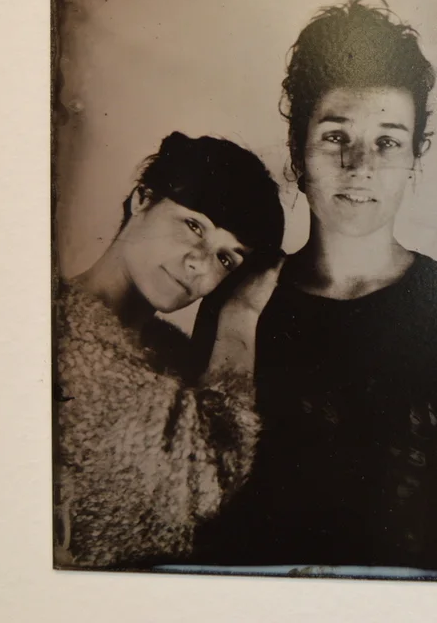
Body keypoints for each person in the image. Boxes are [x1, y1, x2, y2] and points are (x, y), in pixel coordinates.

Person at [191, 0, 437, 581]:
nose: (359, 165)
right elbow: (196, 501)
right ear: (297, 151)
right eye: (334, 137)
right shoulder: (238, 303)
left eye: (388, 141)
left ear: (416, 154)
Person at [53, 131, 285, 569]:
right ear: (142, 199)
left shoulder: (172, 356)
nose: (199, 262)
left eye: (226, 258)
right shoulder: (63, 335)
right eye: (194, 226)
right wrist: (241, 316)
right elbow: (209, 476)